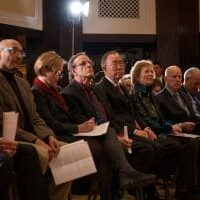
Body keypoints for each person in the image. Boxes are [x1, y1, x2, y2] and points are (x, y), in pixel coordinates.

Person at [31, 51, 155, 200]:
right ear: (73, 71)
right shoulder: (48, 92)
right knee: (101, 145)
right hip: (60, 136)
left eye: (90, 63)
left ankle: (122, 181)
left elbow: (110, 117)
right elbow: (53, 123)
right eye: (83, 64)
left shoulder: (64, 90)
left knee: (111, 136)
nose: (60, 74)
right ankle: (117, 186)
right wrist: (78, 128)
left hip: (91, 131)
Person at [0, 39, 70, 200]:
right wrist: (38, 141)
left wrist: (49, 136)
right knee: (43, 154)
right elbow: (2, 122)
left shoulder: (23, 83)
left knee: (67, 154)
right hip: (11, 138)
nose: (19, 56)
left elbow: (35, 117)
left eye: (21, 52)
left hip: (33, 137)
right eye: (12, 50)